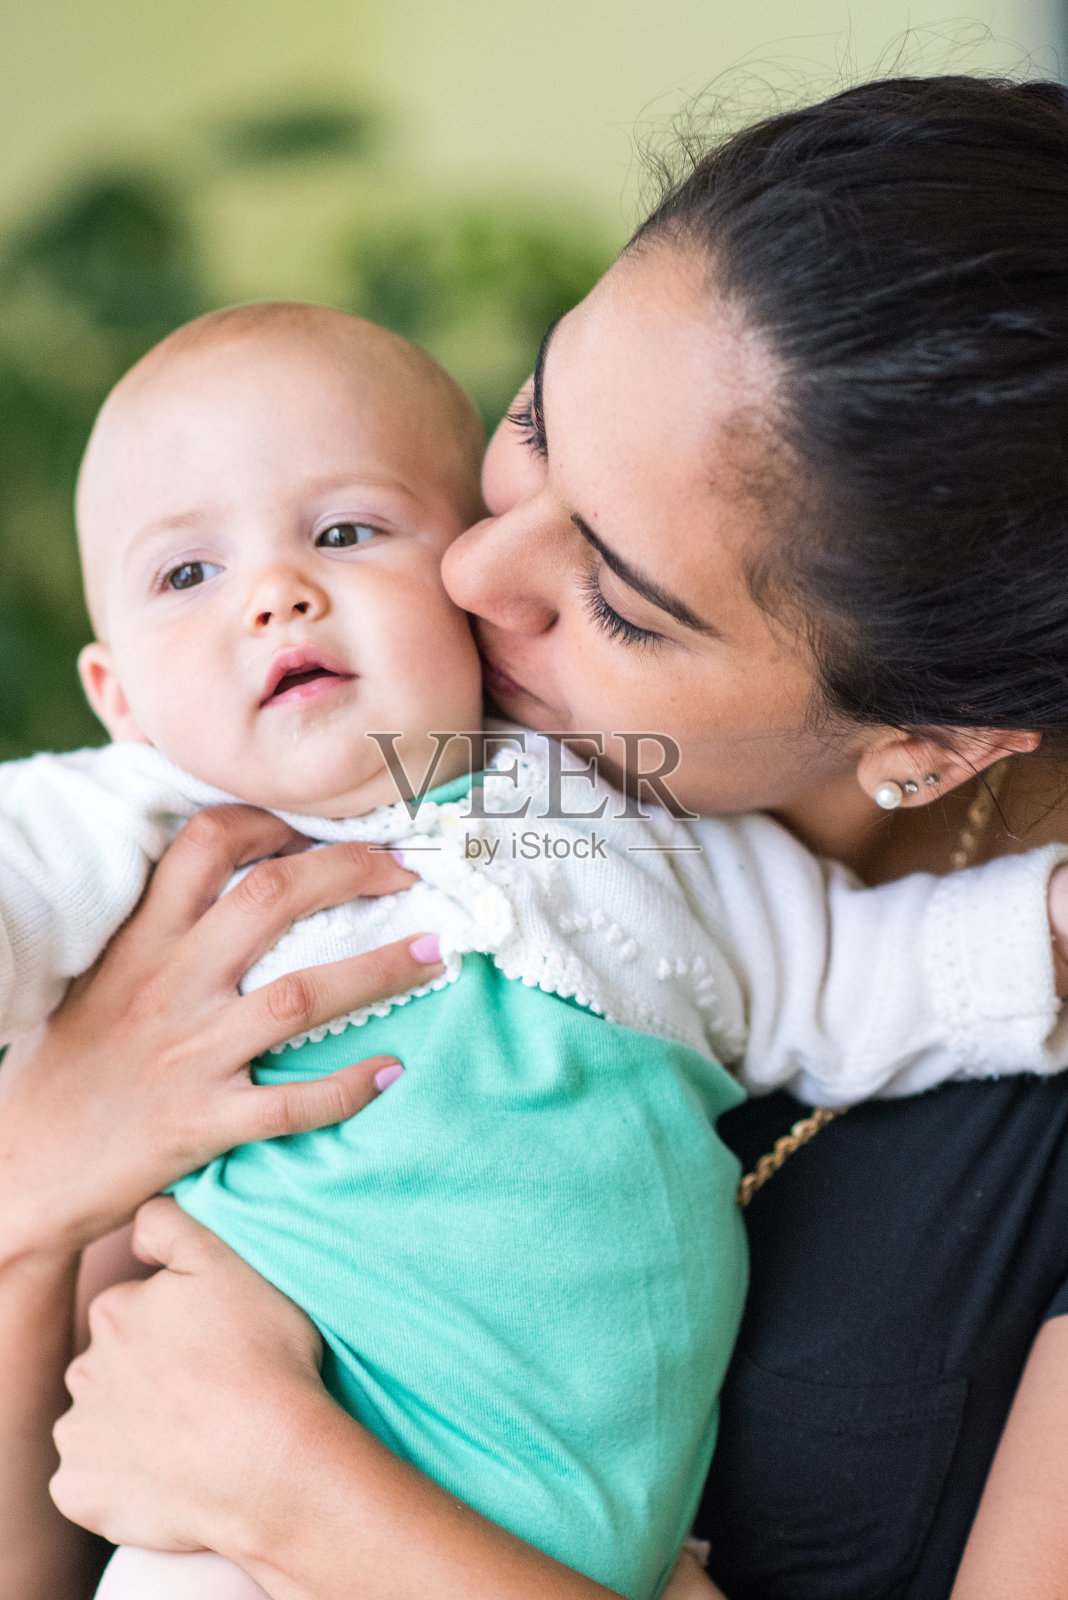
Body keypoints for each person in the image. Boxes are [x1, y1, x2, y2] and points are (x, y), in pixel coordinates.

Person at [4, 70, 1068, 1600]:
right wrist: (32, 1188)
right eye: (532, 421)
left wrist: (296, 1493)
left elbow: (894, 970)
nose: (480, 562)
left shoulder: (732, 905)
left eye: (625, 602)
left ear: (935, 743)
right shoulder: (262, 854)